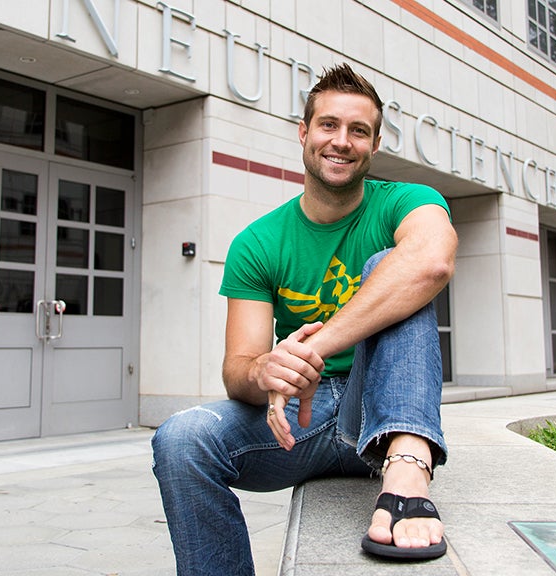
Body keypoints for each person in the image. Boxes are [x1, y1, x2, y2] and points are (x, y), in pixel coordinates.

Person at [151, 62, 458, 575]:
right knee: (180, 440)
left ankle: (407, 471)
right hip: (302, 420)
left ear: (375, 144)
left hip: (379, 406)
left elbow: (431, 260)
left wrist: (316, 346)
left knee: (393, 265)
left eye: (359, 130)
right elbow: (237, 371)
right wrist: (266, 370)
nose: (342, 141)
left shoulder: (406, 201)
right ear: (304, 132)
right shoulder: (258, 242)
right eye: (329, 125)